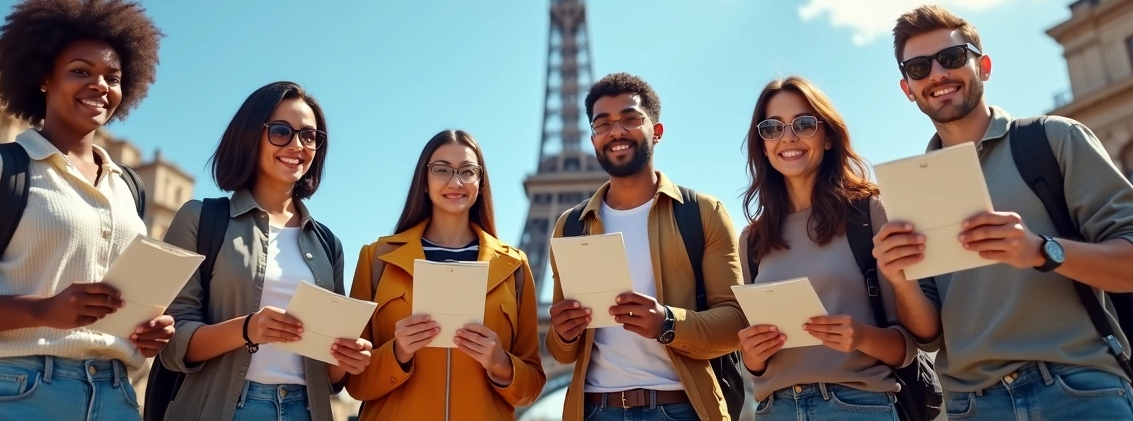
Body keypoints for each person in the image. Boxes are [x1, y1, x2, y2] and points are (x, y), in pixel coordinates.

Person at [873, 4, 1133, 419]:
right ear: (908, 88)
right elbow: (927, 335)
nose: (938, 75)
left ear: (985, 66)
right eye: (920, 68)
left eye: (952, 58)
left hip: (1080, 390)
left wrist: (1041, 251)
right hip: (972, 405)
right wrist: (901, 282)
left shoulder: (1055, 139)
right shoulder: (907, 191)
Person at [0, 0, 171, 421]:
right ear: (44, 78)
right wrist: (42, 310)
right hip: (12, 392)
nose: (99, 85)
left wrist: (143, 333)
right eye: (80, 70)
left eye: (112, 77)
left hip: (115, 397)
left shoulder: (127, 189)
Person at [159, 81, 372, 420]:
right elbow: (171, 342)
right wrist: (248, 329)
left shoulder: (328, 244)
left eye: (309, 136)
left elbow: (331, 376)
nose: (297, 145)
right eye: (281, 131)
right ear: (250, 135)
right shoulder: (199, 219)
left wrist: (346, 359)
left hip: (306, 410)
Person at [546, 72, 746, 421]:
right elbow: (563, 354)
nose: (616, 131)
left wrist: (667, 322)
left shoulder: (702, 214)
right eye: (603, 123)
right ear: (593, 139)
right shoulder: (570, 226)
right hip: (595, 411)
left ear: (657, 131)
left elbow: (736, 322)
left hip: (682, 408)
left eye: (630, 119)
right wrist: (563, 334)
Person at [738, 76, 918, 420]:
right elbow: (756, 369)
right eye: (772, 128)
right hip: (775, 411)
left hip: (860, 407)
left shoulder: (870, 213)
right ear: (762, 145)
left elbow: (909, 346)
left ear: (829, 137)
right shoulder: (752, 240)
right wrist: (753, 355)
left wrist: (861, 336)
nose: (787, 137)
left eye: (803, 124)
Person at [346, 130, 545, 420]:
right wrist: (397, 353)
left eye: (468, 171)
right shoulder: (376, 259)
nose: (456, 182)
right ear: (424, 182)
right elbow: (353, 381)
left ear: (480, 182)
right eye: (441, 170)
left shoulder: (514, 266)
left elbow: (532, 385)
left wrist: (499, 363)